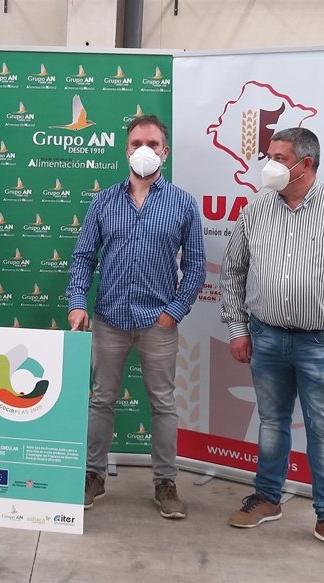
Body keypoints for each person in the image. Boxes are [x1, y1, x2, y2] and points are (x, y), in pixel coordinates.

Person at [220, 127, 324, 559]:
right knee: (272, 423)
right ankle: (267, 497)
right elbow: (234, 271)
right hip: (267, 337)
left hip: (322, 342)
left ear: (305, 163)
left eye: (278, 157)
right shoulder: (256, 209)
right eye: (269, 155)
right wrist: (238, 328)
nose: (268, 165)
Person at [66, 114, 205, 520]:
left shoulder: (182, 203)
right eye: (137, 143)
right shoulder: (103, 201)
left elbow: (195, 265)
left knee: (163, 403)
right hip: (109, 320)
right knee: (101, 400)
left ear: (165, 151)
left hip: (157, 323)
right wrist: (77, 302)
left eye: (153, 144)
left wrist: (173, 313)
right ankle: (93, 475)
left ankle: (166, 482)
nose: (144, 150)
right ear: (126, 150)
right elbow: (83, 257)